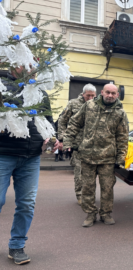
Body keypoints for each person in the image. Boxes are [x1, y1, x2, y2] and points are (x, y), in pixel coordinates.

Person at [0, 66, 59, 265]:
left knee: (26, 204)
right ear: (14, 66)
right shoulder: (3, 87)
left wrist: (53, 139)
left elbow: (48, 123)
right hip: (3, 154)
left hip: (31, 157)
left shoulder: (41, 93)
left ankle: (16, 246)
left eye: (32, 65)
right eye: (24, 64)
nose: (29, 68)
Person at [64, 83, 128, 227]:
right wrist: (67, 143)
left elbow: (122, 137)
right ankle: (90, 214)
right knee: (87, 187)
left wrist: (120, 158)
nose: (110, 95)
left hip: (108, 158)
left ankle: (105, 213)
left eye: (113, 93)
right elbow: (74, 123)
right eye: (108, 92)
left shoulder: (120, 113)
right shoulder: (89, 106)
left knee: (107, 188)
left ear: (117, 95)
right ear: (102, 92)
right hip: (87, 155)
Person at [58, 84, 97, 205]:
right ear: (83, 94)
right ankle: (80, 195)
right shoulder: (73, 103)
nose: (90, 98)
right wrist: (63, 139)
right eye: (88, 95)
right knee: (79, 173)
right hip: (77, 145)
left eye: (93, 96)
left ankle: (89, 196)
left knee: (91, 174)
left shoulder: (97, 105)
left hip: (93, 145)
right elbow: (62, 121)